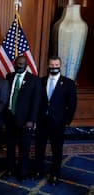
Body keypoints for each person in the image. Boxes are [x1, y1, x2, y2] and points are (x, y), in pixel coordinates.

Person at [34, 56, 77, 185]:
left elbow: (72, 104)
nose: (54, 67)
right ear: (48, 66)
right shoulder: (40, 81)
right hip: (42, 121)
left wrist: (66, 121)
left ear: (60, 65)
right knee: (39, 148)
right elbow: (37, 101)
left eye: (56, 65)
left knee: (57, 149)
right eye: (52, 65)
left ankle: (55, 174)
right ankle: (38, 171)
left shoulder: (68, 83)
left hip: (58, 123)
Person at [5, 56, 41, 181]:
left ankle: (22, 172)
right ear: (14, 64)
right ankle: (10, 169)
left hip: (26, 120)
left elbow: (36, 102)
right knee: (10, 145)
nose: (19, 66)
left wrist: (32, 120)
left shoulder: (34, 80)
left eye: (22, 64)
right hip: (10, 117)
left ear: (26, 65)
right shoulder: (9, 76)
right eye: (17, 64)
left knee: (24, 147)